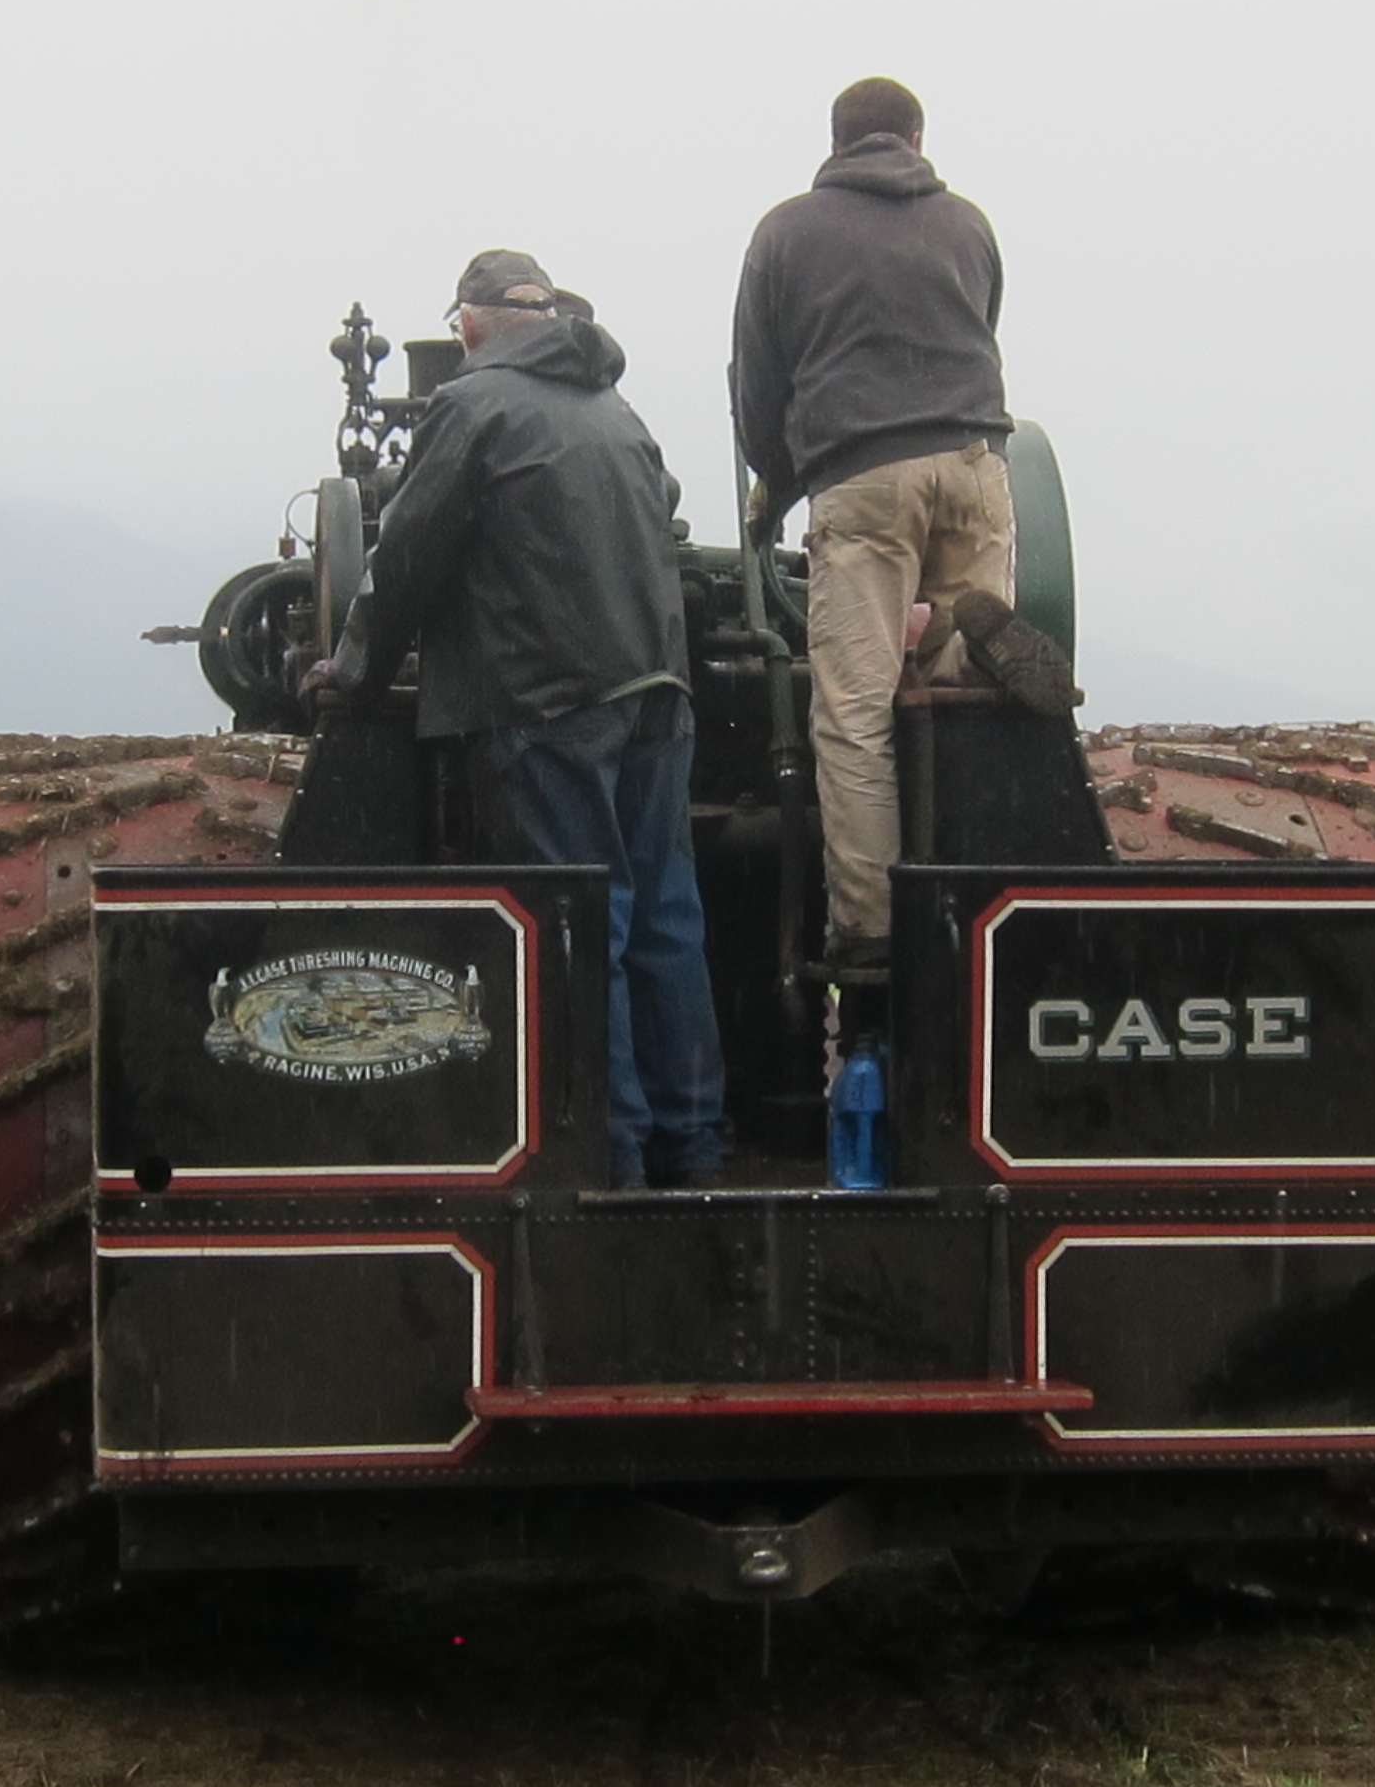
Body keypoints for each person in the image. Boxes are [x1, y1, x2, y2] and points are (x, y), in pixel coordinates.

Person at [306, 251, 729, 1189]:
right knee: (666, 920)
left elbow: (408, 551)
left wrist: (356, 671)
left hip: (547, 699)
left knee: (587, 927)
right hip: (659, 687)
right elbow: (663, 514)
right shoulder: (616, 407)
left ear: (467, 327)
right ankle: (693, 1146)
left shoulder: (471, 405)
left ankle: (609, 1160)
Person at [731, 76, 1076, 977]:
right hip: (976, 462)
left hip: (863, 476)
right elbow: (983, 326)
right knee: (961, 694)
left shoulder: (785, 231)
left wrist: (777, 478)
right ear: (916, 137)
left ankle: (874, 927)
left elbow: (760, 387)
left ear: (836, 142)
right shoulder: (967, 224)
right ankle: (972, 891)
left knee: (852, 713)